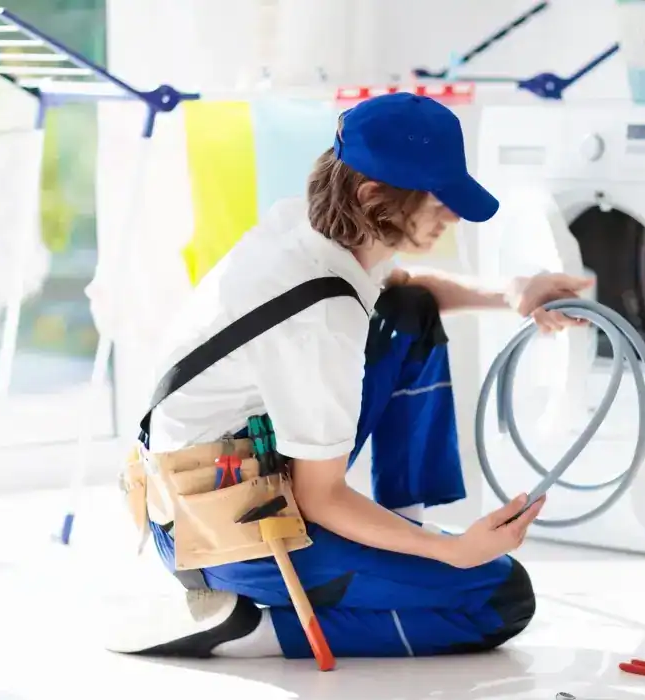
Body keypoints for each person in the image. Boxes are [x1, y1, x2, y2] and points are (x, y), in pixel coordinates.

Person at [107, 93, 593, 661]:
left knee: (408, 310)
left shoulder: (309, 226)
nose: (453, 216)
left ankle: (400, 528)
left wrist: (511, 294)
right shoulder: (322, 323)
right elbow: (321, 497)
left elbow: (402, 284)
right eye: (438, 201)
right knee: (499, 596)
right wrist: (452, 552)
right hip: (217, 528)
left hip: (217, 469)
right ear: (373, 196)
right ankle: (247, 629)